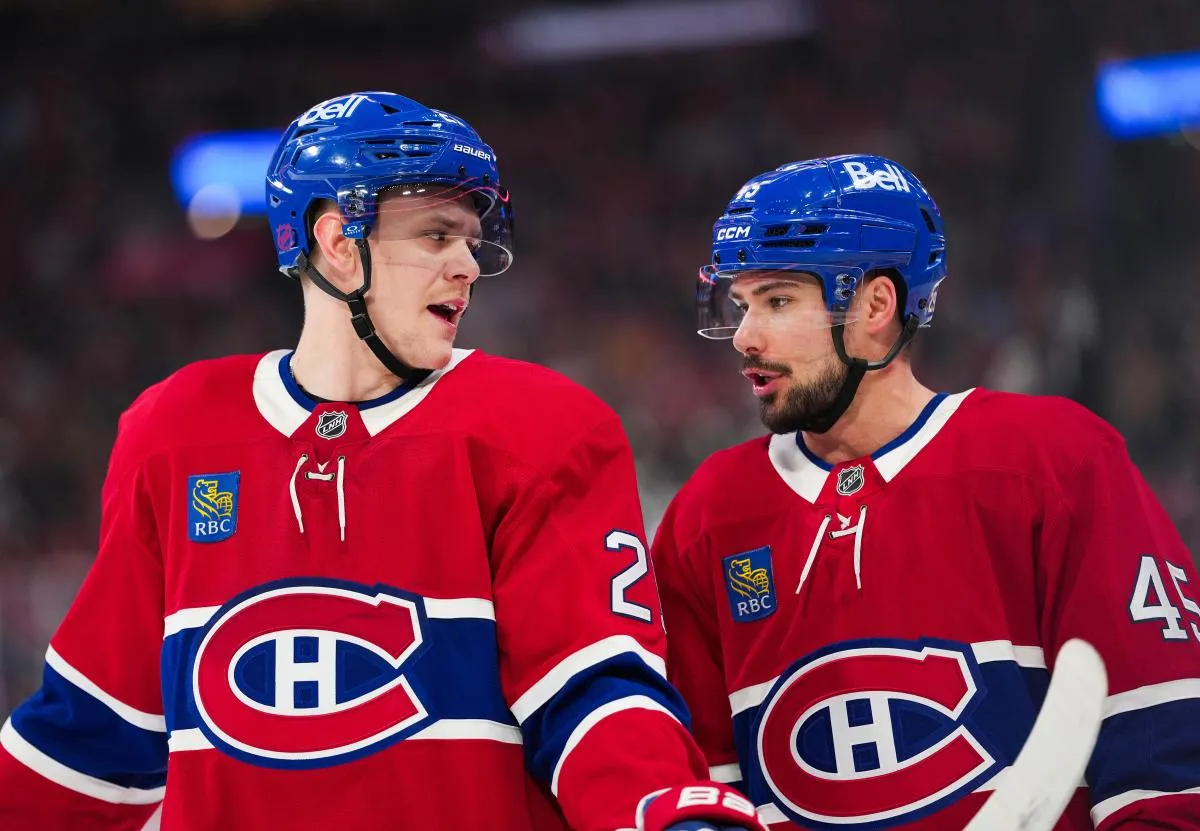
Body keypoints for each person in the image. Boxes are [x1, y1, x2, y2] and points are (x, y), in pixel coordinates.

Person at [0, 91, 763, 831]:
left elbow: (592, 692)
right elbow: (93, 733)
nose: (466, 263)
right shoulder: (173, 432)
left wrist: (662, 811)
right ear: (336, 240)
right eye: (436, 235)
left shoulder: (542, 427)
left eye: (471, 238)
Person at [651, 154, 1200, 830]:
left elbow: (1165, 754)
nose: (745, 337)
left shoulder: (1052, 462)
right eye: (741, 304)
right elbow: (696, 783)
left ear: (876, 304)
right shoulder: (707, 514)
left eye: (778, 301)